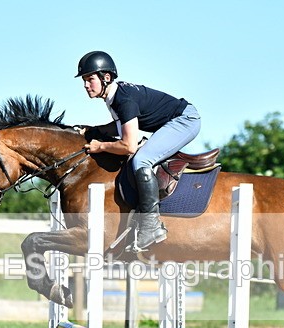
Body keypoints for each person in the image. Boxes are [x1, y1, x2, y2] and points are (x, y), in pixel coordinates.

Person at [75, 51, 201, 251]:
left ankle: (151, 226)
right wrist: (94, 130)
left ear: (106, 78)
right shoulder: (115, 97)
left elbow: (128, 145)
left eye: (90, 79)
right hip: (172, 121)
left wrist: (100, 146)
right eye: (84, 80)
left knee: (140, 161)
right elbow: (119, 126)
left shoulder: (123, 100)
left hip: (185, 120)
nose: (85, 85)